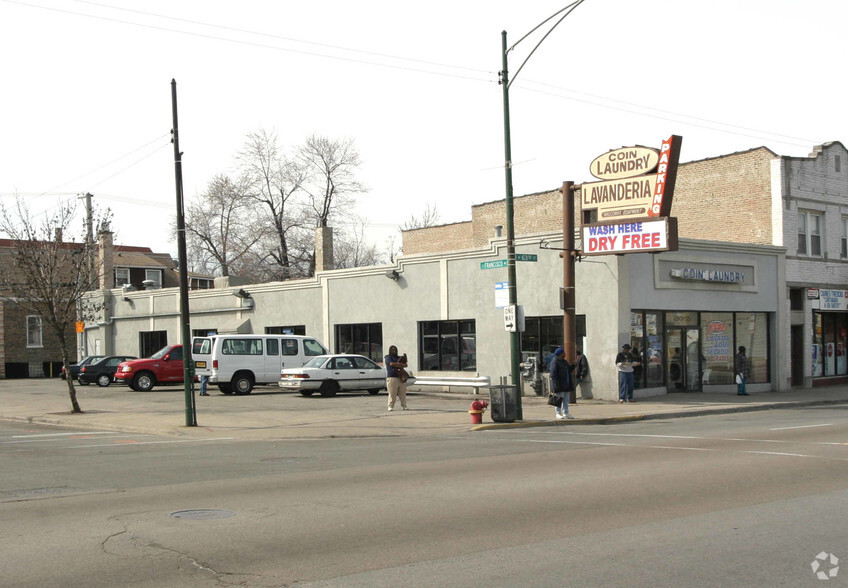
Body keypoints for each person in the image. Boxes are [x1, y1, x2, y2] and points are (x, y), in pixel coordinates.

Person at [549, 348, 575, 419]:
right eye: (563, 353)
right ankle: (558, 413)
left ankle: (566, 413)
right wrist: (555, 385)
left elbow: (569, 370)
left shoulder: (564, 362)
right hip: (559, 384)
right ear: (560, 354)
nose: (565, 354)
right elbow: (553, 375)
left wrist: (573, 366)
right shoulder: (555, 362)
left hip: (566, 384)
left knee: (566, 400)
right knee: (558, 399)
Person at [385, 345, 408, 411]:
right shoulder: (388, 357)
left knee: (402, 393)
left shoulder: (399, 358)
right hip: (392, 377)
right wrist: (400, 365)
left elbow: (405, 365)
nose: (394, 351)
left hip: (400, 377)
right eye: (392, 349)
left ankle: (404, 405)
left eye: (395, 349)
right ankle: (390, 406)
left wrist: (398, 364)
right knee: (392, 393)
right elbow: (391, 364)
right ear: (390, 350)